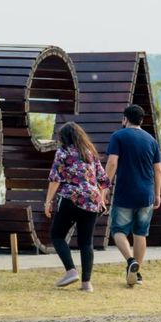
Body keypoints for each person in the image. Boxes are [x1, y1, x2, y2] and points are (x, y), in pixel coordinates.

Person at [44, 122, 110, 292]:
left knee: (57, 235)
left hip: (71, 198)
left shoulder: (63, 152)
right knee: (86, 242)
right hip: (92, 200)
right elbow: (103, 180)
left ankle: (71, 271)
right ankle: (87, 284)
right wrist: (101, 199)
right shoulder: (90, 153)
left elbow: (55, 179)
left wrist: (48, 202)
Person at [105, 104, 161, 288]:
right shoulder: (151, 140)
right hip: (146, 193)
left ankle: (130, 261)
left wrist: (104, 188)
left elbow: (112, 163)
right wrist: (157, 193)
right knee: (140, 233)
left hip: (125, 192)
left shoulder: (118, 136)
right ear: (142, 120)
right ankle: (136, 274)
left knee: (118, 231)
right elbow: (158, 170)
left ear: (125, 119)